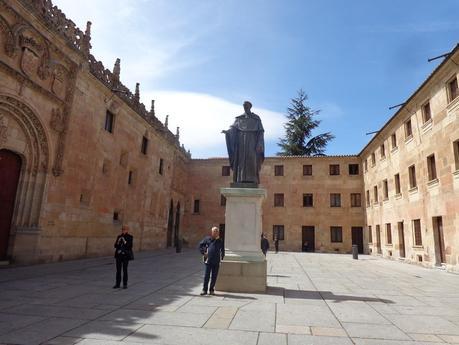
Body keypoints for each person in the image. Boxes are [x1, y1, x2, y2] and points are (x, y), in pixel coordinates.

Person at [199, 227, 224, 296]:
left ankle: (211, 290)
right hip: (208, 261)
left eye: (217, 231)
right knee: (206, 276)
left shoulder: (220, 240)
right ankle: (204, 290)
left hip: (216, 261)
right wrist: (204, 252)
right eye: (214, 231)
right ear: (212, 232)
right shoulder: (207, 239)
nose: (215, 232)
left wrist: (222, 259)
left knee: (214, 276)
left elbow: (223, 250)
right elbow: (200, 246)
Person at [113, 225, 133, 289]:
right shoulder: (119, 236)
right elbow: (115, 245)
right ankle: (117, 284)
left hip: (125, 256)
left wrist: (124, 240)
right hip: (118, 256)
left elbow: (129, 246)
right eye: (122, 229)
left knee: (125, 270)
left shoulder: (130, 237)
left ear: (127, 230)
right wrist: (118, 242)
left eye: (124, 229)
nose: (123, 230)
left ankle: (125, 284)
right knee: (118, 270)